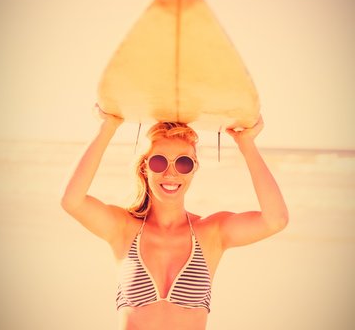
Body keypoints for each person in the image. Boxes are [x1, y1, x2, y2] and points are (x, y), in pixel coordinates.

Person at [61, 106, 288, 330]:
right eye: (159, 162)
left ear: (193, 169)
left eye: (183, 163)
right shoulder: (123, 228)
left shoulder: (211, 232)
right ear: (144, 168)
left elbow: (275, 220)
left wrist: (246, 144)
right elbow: (72, 200)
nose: (171, 173)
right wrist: (108, 127)